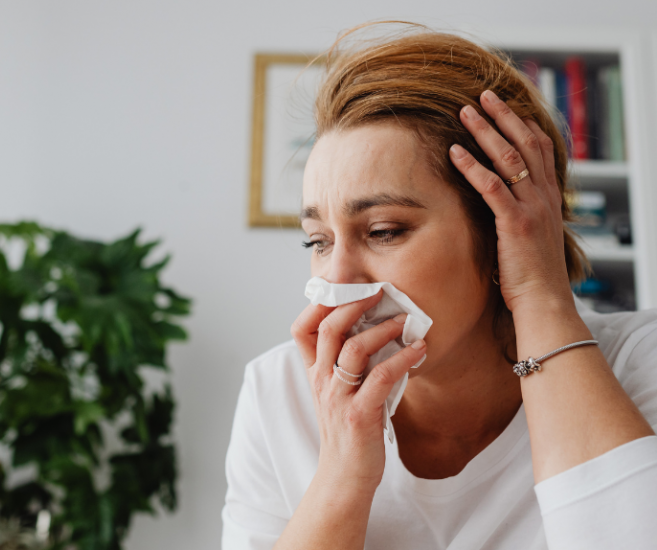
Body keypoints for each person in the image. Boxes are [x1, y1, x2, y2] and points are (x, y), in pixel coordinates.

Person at [222, 23, 657, 550]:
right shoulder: (279, 393)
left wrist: (540, 293)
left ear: (503, 229)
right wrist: (342, 474)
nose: (336, 278)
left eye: (383, 231)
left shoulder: (638, 363)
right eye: (317, 241)